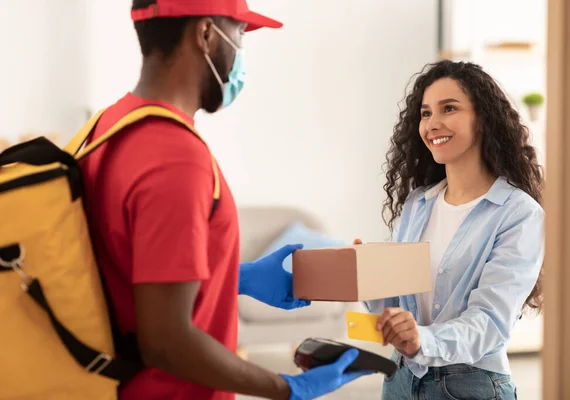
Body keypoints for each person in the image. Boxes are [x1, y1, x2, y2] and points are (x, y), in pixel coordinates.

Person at [80, 0, 371, 399]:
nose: (239, 53)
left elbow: (129, 270)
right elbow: (165, 341)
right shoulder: (175, 157)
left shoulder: (108, 126)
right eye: (238, 34)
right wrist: (287, 386)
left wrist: (238, 276)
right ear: (204, 34)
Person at [358, 60, 545, 399]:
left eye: (449, 108)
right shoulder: (419, 204)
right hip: (400, 379)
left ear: (483, 119)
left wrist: (421, 340)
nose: (433, 123)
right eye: (426, 113)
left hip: (470, 385)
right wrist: (365, 275)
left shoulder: (519, 214)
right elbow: (395, 304)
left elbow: (489, 321)